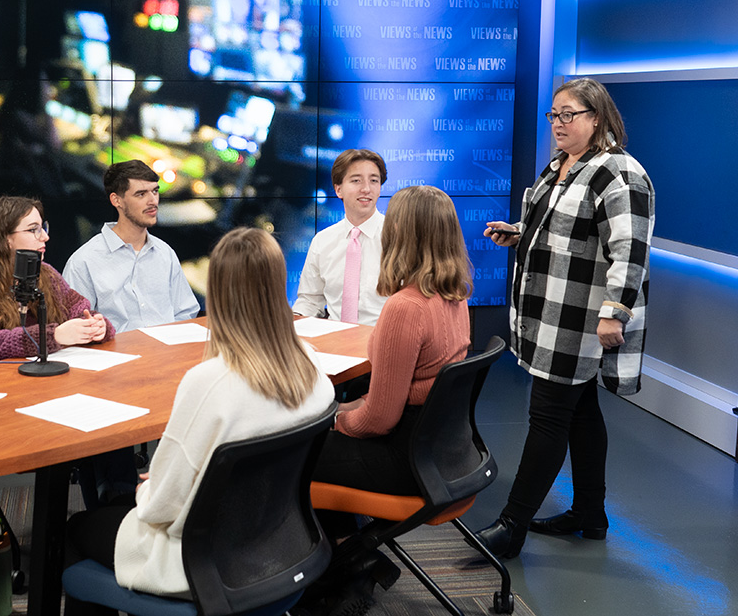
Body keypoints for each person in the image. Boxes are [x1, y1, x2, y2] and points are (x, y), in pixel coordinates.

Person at [62, 227, 335, 610]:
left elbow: (160, 509)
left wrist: (150, 485)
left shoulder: (209, 382)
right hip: (281, 545)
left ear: (219, 292)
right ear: (277, 285)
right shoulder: (311, 361)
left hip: (201, 562)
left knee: (75, 528)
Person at [475, 77, 654, 559]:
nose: (557, 123)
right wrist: (519, 232)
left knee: (549, 415)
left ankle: (511, 526)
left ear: (597, 117)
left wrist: (615, 312)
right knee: (582, 413)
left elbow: (629, 251)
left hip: (578, 321)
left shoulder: (618, 173)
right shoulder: (561, 166)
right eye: (554, 114)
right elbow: (567, 231)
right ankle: (590, 514)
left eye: (568, 113)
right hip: (548, 314)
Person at [299, 186, 473, 616]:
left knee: (295, 453)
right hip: (448, 455)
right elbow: (428, 383)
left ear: (402, 235)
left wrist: (334, 418)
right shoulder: (455, 294)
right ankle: (352, 555)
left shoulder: (405, 308)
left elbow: (377, 419)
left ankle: (340, 569)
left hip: (406, 463)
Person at [0, 196, 115, 368]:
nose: (45, 237)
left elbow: (80, 310)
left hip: (48, 377)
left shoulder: (47, 273)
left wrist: (95, 326)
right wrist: (54, 336)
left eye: (43, 228)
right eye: (32, 230)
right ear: (4, 238)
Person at [63, 160, 199, 333]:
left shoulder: (165, 253)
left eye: (155, 192)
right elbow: (75, 327)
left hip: (167, 355)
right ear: (116, 200)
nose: (153, 201)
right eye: (141, 194)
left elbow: (185, 312)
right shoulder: (83, 261)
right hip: (115, 357)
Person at [293, 148, 390, 325]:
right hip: (332, 343)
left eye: (374, 181)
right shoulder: (322, 241)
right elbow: (310, 301)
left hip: (386, 343)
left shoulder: (399, 237)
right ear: (338, 190)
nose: (366, 189)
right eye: (356, 181)